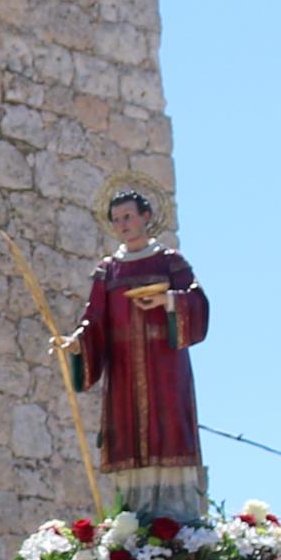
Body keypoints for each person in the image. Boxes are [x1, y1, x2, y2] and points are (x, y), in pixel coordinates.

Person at [70, 185, 208, 477]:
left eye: (128, 216)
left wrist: (167, 300)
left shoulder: (170, 261)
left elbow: (198, 301)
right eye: (116, 219)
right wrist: (77, 343)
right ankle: (132, 512)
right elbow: (94, 317)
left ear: (146, 216)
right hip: (124, 367)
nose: (123, 225)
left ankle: (173, 506)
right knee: (126, 429)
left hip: (165, 362)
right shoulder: (108, 270)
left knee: (169, 425)